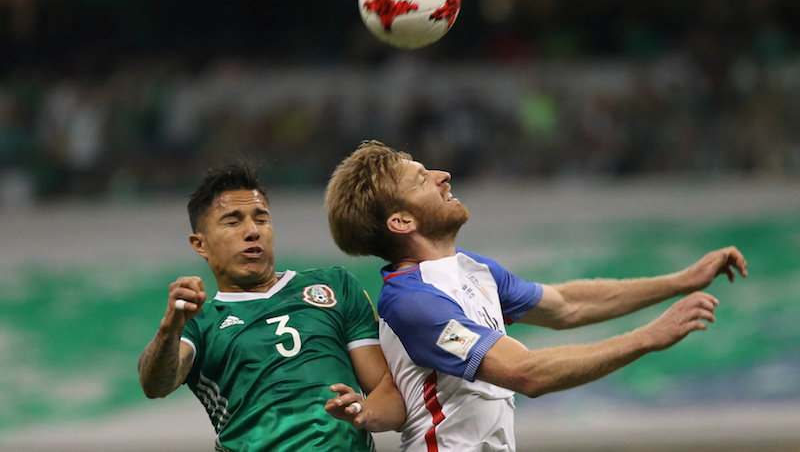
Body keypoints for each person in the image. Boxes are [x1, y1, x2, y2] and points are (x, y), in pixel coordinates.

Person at [325, 140, 748, 452]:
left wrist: (683, 280)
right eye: (421, 178)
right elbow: (528, 373)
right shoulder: (412, 304)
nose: (442, 175)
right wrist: (648, 338)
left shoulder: (473, 269)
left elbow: (567, 305)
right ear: (401, 221)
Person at [138, 162, 405, 452]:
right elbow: (155, 385)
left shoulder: (335, 287)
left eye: (261, 218)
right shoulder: (200, 322)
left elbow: (389, 395)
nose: (252, 231)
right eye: (233, 221)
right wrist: (170, 327)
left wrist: (364, 412)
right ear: (199, 244)